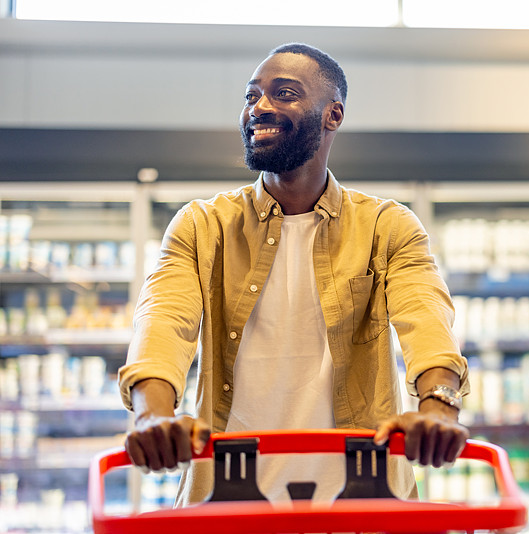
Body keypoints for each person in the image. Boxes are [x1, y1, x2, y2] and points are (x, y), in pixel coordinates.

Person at [118, 42, 469, 505]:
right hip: (228, 504)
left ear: (333, 115)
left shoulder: (386, 226)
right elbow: (163, 322)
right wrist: (152, 416)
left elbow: (426, 319)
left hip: (360, 506)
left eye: (283, 93)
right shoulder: (203, 225)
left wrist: (439, 405)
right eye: (250, 96)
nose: (259, 108)